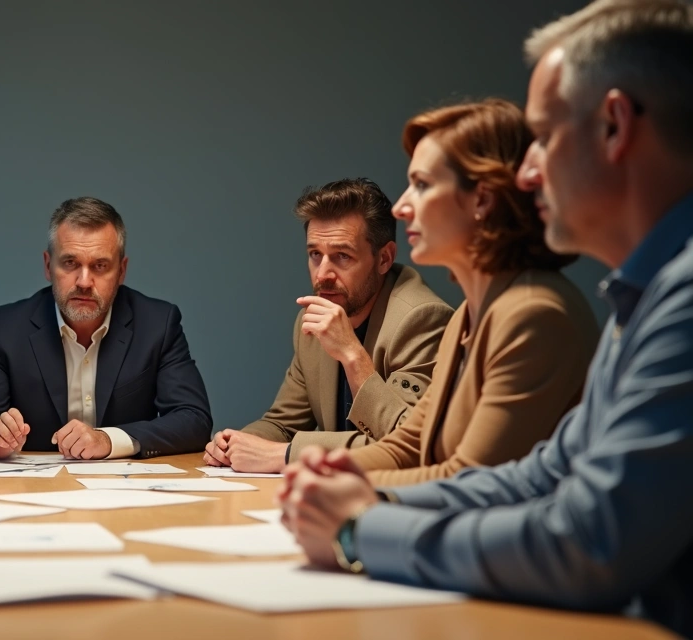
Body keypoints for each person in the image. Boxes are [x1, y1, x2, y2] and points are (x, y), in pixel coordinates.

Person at [280, 1, 693, 634]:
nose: (527, 173)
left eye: (547, 137)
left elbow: (589, 538)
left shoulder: (663, 302)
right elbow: (545, 472)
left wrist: (364, 527)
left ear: (614, 127)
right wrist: (367, 499)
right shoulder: (637, 301)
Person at [334, 99, 600, 487]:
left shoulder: (534, 314)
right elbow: (410, 444)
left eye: (422, 185)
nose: (401, 207)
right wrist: (329, 470)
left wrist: (341, 488)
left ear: (482, 200)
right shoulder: (467, 314)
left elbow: (470, 480)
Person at [204, 179, 452, 473]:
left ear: (383, 258)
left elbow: (408, 441)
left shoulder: (422, 318)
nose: (323, 274)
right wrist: (237, 443)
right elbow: (284, 423)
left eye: (342, 256)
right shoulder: (315, 317)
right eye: (314, 254)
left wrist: (351, 353)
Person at [0, 197, 212, 459]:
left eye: (100, 266)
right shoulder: (6, 328)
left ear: (121, 271)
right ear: (47, 266)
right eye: (70, 263)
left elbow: (193, 419)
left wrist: (108, 440)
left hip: (126, 488)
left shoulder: (158, 323)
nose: (84, 281)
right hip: (35, 488)